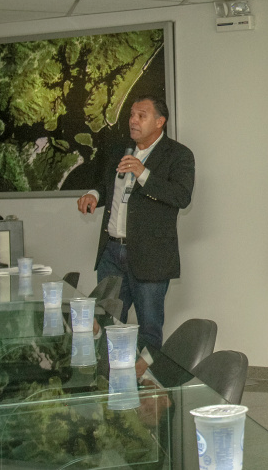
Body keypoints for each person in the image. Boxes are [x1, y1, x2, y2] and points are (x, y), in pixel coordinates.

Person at [77, 95, 195, 352]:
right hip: (111, 252)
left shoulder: (178, 155)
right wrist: (94, 195)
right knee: (105, 321)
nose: (133, 120)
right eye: (132, 114)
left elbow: (181, 196)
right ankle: (108, 380)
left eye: (141, 115)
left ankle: (147, 386)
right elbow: (109, 186)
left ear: (160, 121)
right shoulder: (121, 150)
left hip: (150, 255)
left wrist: (144, 173)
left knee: (149, 329)